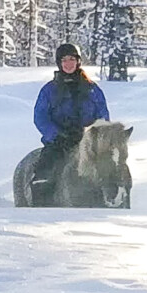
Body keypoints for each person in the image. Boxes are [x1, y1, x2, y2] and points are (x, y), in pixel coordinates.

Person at [28, 42, 111, 199]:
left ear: (78, 61)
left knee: (111, 170)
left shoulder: (93, 90)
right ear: (59, 63)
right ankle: (39, 205)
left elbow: (103, 117)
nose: (68, 64)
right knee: (45, 173)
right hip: (59, 143)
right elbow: (40, 117)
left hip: (88, 143)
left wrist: (92, 135)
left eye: (71, 59)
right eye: (64, 60)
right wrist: (57, 136)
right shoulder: (49, 90)